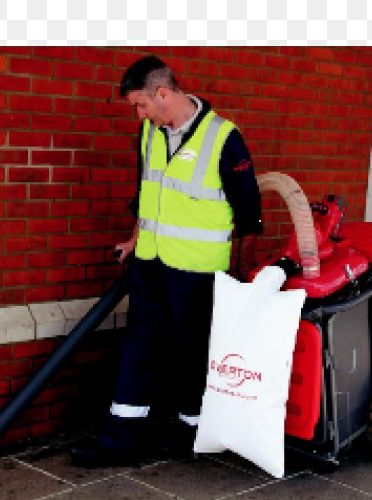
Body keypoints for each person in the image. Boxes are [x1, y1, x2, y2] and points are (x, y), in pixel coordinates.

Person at [69, 55, 264, 467]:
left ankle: (190, 434)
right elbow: (148, 193)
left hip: (196, 270)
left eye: (141, 105)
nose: (139, 115)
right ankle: (119, 440)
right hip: (149, 263)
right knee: (138, 344)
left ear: (163, 93)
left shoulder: (224, 138)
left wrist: (244, 270)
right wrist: (134, 239)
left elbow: (249, 213)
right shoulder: (149, 133)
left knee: (188, 352)